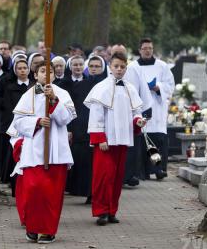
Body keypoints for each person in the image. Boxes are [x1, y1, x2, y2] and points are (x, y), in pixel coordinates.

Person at [7, 60, 76, 244]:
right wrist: (37, 122)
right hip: (34, 150)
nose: (47, 74)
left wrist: (54, 100)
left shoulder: (62, 94)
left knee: (52, 193)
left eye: (50, 71)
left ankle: (48, 230)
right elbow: (18, 122)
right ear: (35, 75)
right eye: (42, 71)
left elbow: (66, 118)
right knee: (33, 189)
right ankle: (32, 227)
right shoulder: (28, 95)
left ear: (54, 75)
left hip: (56, 151)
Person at [84, 52, 147, 226]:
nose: (119, 69)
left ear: (126, 68)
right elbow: (96, 116)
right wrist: (100, 138)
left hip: (122, 140)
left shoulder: (130, 88)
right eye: (116, 66)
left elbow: (136, 112)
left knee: (118, 177)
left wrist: (138, 121)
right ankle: (101, 211)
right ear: (110, 67)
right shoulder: (101, 88)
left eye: (122, 67)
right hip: (105, 142)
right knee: (103, 178)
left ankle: (112, 210)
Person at [129, 38, 175, 180]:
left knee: (154, 143)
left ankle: (157, 168)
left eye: (150, 48)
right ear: (140, 50)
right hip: (140, 107)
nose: (148, 51)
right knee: (142, 142)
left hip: (157, 107)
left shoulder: (162, 66)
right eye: (145, 48)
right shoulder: (132, 67)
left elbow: (170, 85)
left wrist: (158, 87)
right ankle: (141, 172)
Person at [66, 56, 107, 204]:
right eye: (92, 66)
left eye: (97, 66)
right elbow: (73, 108)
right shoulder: (79, 85)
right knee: (85, 162)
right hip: (82, 128)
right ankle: (87, 191)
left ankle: (97, 192)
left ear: (103, 68)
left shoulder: (107, 85)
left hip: (102, 129)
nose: (94, 68)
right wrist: (70, 128)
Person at [111, 44, 153, 186]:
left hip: (128, 118)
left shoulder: (134, 69)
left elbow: (143, 89)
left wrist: (143, 113)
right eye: (115, 53)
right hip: (111, 120)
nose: (119, 68)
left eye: (121, 53)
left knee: (129, 149)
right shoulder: (105, 70)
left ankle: (129, 175)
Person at [0, 59, 30, 193]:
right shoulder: (8, 86)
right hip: (12, 125)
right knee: (14, 156)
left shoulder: (33, 86)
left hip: (30, 127)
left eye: (25, 68)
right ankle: (14, 186)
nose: (22, 70)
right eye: (19, 68)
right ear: (15, 70)